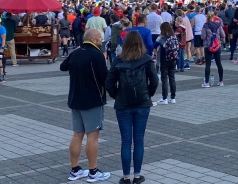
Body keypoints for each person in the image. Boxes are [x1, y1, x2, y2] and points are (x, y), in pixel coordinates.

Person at [105, 31, 158, 184]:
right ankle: (137, 175)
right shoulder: (146, 59)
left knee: (126, 141)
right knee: (139, 139)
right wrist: (148, 95)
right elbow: (154, 81)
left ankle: (126, 176)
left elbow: (109, 82)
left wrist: (117, 95)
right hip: (142, 103)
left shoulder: (118, 60)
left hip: (123, 104)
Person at [60, 28, 110, 183]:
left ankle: (75, 169)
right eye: (100, 38)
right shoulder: (97, 54)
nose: (101, 40)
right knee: (92, 136)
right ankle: (93, 171)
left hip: (75, 99)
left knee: (77, 134)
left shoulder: (76, 52)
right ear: (93, 40)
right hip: (92, 100)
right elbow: (105, 78)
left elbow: (63, 66)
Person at [154, 22, 177, 104]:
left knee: (164, 78)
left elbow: (154, 46)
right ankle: (173, 98)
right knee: (172, 78)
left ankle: (164, 98)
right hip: (173, 59)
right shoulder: (174, 37)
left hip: (164, 59)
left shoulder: (161, 37)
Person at [200, 12, 225, 88]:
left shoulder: (205, 25)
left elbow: (203, 37)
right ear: (213, 17)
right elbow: (223, 35)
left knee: (208, 64)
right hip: (217, 46)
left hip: (208, 46)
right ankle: (221, 81)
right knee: (219, 63)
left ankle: (207, 82)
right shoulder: (218, 25)